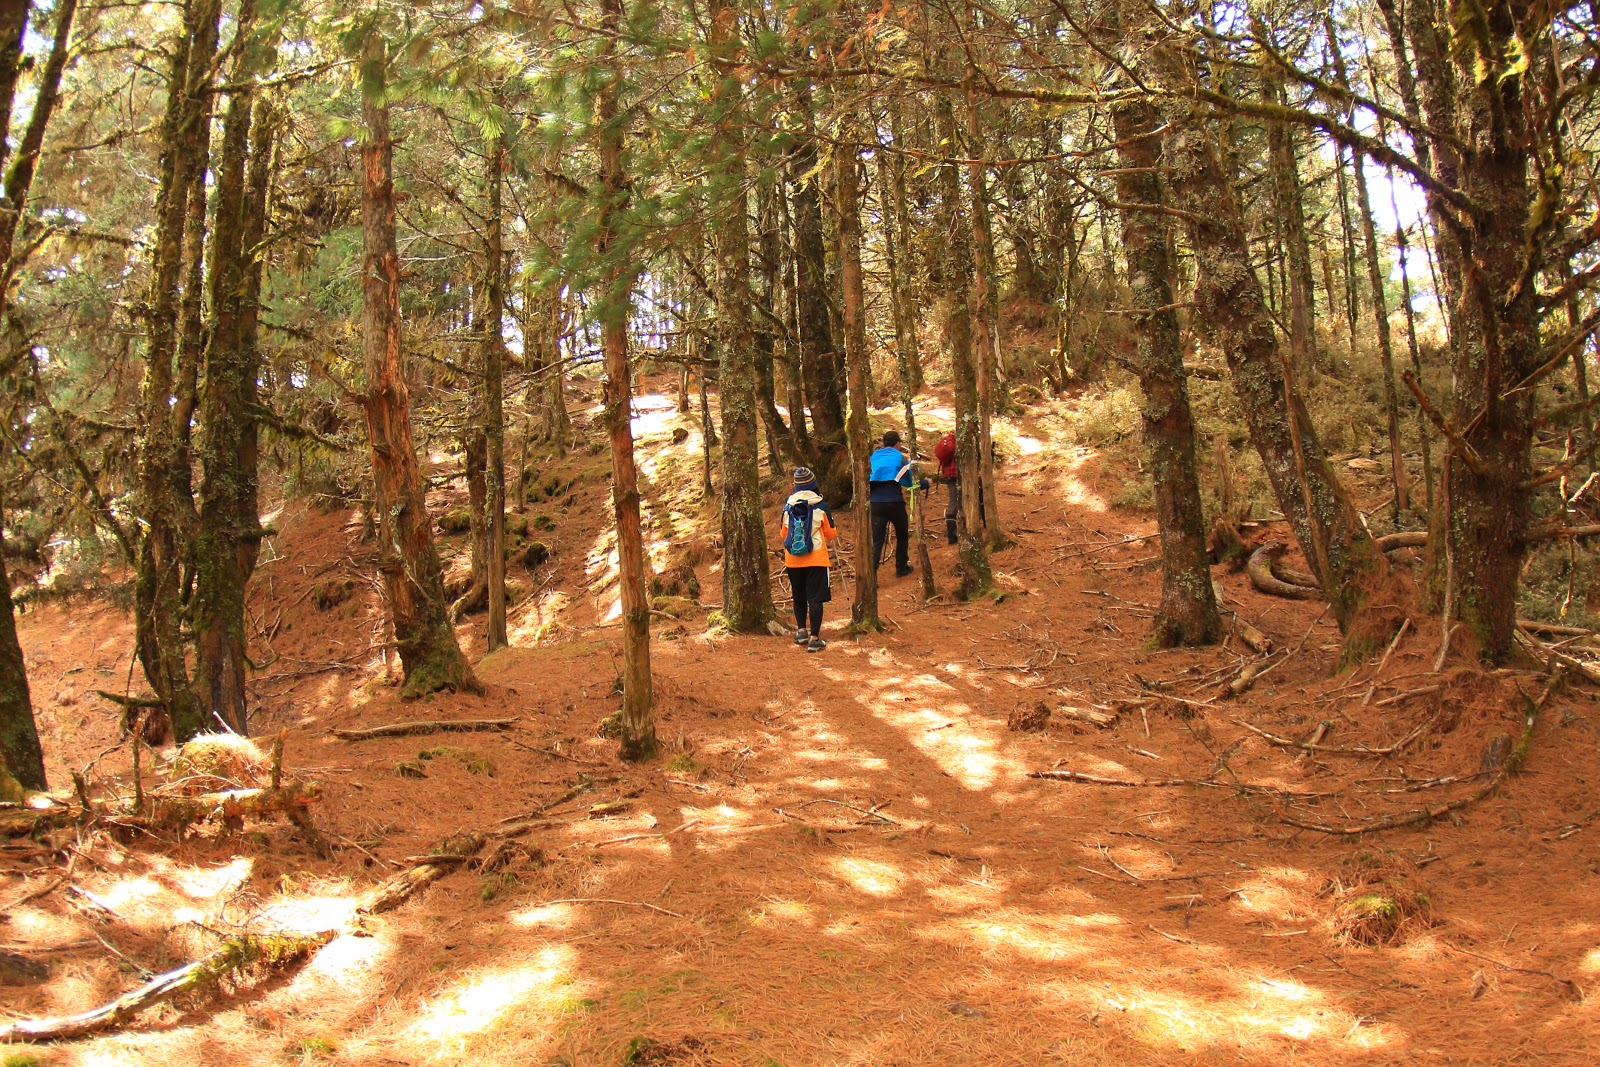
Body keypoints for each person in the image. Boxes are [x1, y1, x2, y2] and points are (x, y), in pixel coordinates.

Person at [780, 467, 838, 653]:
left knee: (798, 596)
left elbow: (783, 533)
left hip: (793, 559)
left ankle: (801, 631)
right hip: (816, 559)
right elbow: (831, 535)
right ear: (814, 484)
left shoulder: (788, 506)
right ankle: (814, 638)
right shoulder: (821, 506)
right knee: (815, 598)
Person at [868, 430, 928, 578]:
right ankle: (901, 568)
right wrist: (926, 483)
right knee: (902, 534)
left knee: (877, 540)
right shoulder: (899, 457)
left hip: (875, 502)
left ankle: (871, 576)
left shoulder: (873, 457)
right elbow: (913, 477)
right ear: (898, 444)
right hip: (894, 501)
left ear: (883, 443)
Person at [934, 429, 960, 545]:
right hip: (958, 475)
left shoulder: (948, 442)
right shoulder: (960, 442)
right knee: (955, 502)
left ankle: (953, 531)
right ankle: (952, 535)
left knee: (954, 500)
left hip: (949, 476)